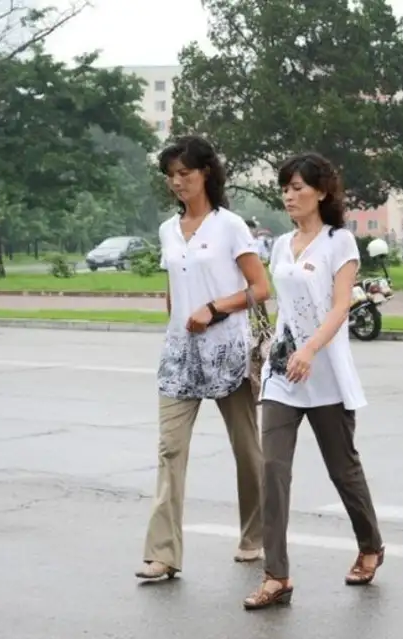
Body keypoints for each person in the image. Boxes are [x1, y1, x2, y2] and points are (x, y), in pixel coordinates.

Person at [243, 153, 383, 611]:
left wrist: (310, 349)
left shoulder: (339, 242)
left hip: (324, 371)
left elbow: (340, 307)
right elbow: (280, 304)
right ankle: (276, 575)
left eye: (299, 186)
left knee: (343, 469)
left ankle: (370, 544)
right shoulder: (281, 244)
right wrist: (281, 352)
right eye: (285, 187)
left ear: (322, 191)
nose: (289, 194)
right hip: (284, 372)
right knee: (273, 469)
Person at [136, 135, 270, 580]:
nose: (177, 182)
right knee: (169, 450)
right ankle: (163, 553)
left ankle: (255, 534)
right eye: (171, 176)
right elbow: (173, 290)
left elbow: (261, 288)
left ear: (205, 173)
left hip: (227, 352)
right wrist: (177, 319)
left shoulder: (230, 225)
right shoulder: (167, 231)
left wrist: (213, 309)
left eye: (185, 173)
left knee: (247, 449)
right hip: (179, 356)